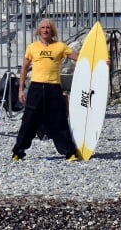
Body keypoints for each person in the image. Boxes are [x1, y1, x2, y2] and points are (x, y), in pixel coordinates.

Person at [12, 18, 79, 161]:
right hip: (36, 87)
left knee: (59, 120)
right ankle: (18, 152)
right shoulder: (32, 47)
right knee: (29, 120)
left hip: (53, 87)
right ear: (39, 31)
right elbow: (24, 68)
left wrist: (99, 61)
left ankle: (69, 152)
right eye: (42, 28)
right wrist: (20, 89)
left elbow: (78, 58)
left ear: (52, 30)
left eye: (48, 27)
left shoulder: (60, 46)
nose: (45, 30)